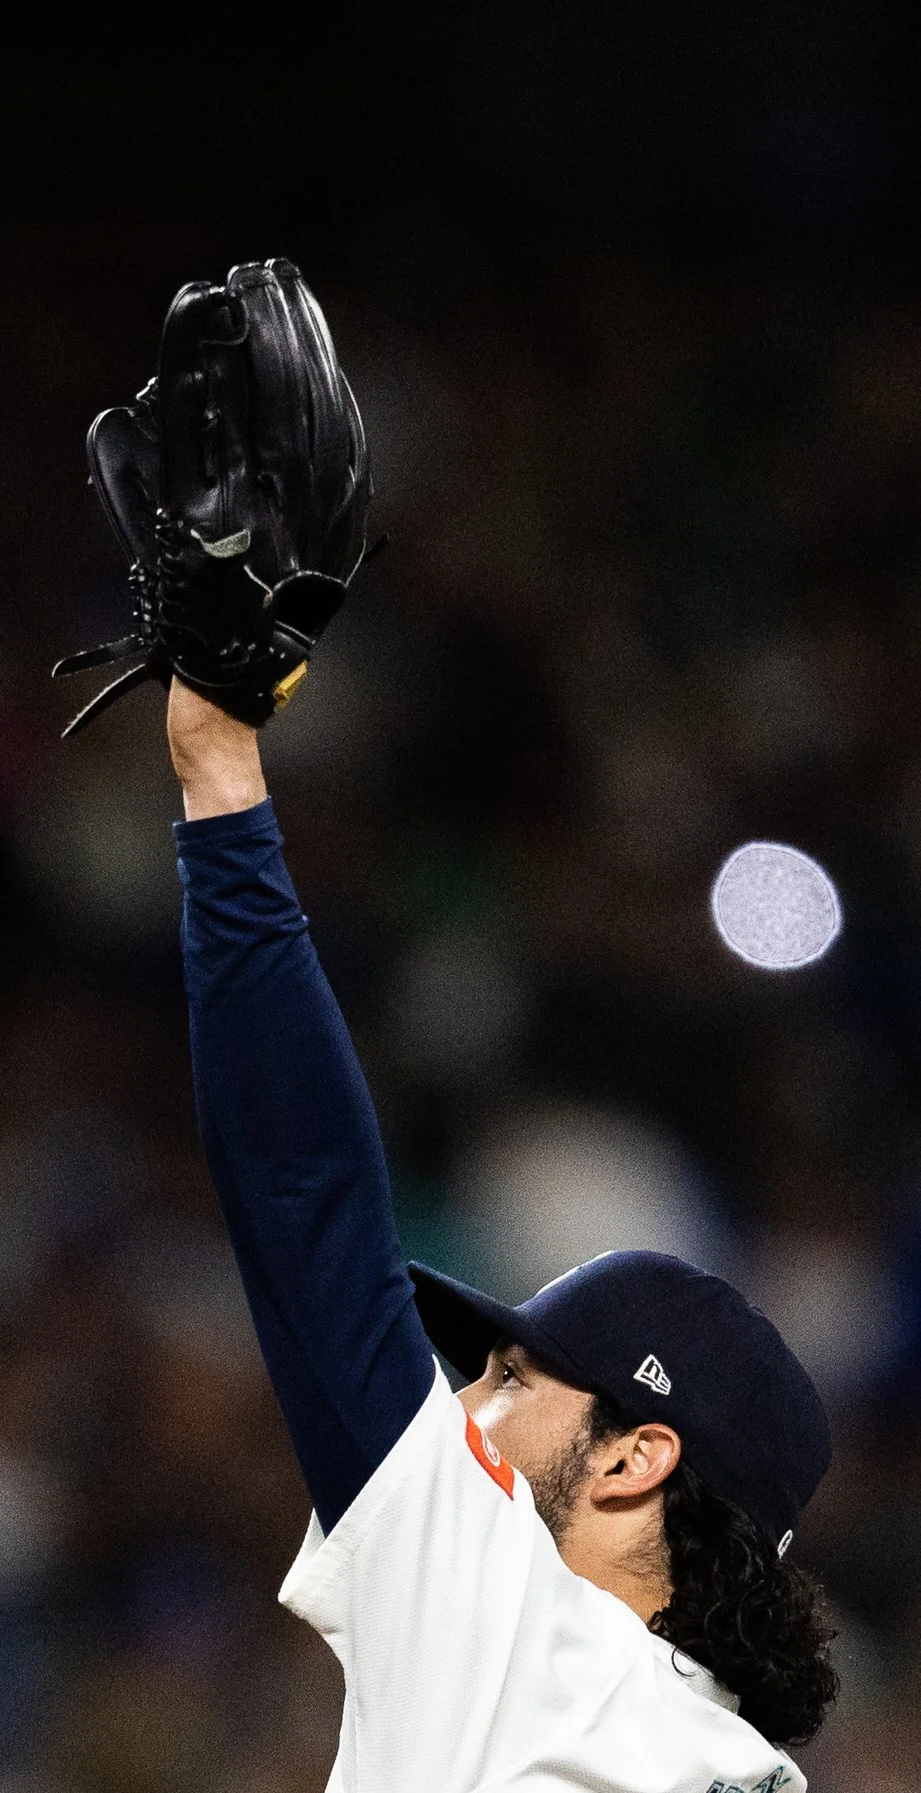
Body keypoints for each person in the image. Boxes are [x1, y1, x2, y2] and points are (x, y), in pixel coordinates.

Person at [162, 677, 838, 1792]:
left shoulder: (509, 1622)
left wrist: (218, 766)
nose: (465, 1404)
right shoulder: (757, 1773)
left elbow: (305, 1196)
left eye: (513, 1379)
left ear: (635, 1456)